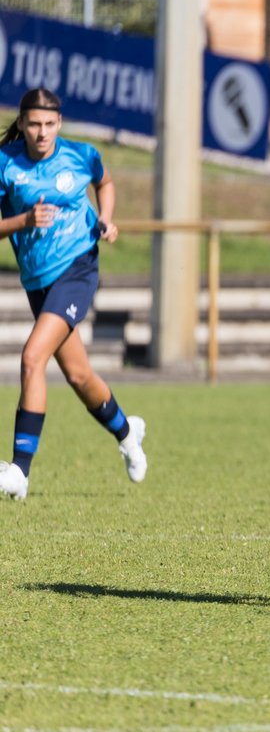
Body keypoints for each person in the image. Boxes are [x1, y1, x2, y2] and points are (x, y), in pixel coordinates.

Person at [0, 88, 147, 501]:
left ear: (59, 123)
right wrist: (23, 220)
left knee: (32, 357)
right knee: (79, 375)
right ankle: (127, 434)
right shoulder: (6, 164)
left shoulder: (81, 155)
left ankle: (20, 473)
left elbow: (106, 181)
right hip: (38, 281)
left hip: (78, 269)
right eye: (33, 124)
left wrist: (106, 219)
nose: (41, 132)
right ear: (23, 124)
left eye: (49, 124)